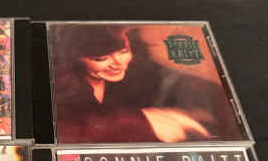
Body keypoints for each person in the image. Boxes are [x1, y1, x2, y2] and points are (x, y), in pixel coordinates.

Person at [50, 24, 242, 143]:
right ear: (74, 59)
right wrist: (141, 122)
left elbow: (171, 81)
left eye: (124, 51)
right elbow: (62, 133)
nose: (118, 64)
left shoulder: (139, 69)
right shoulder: (59, 84)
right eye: (101, 58)